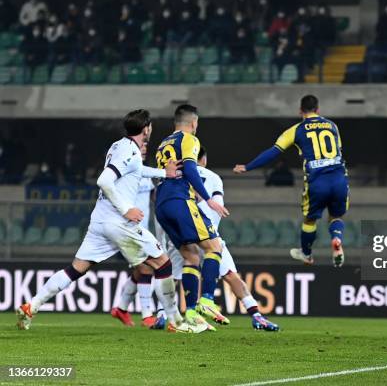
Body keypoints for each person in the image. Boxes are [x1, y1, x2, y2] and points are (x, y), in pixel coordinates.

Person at [16, 109, 207, 333]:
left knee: (76, 269)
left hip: (100, 219)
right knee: (163, 264)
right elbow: (104, 180)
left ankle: (32, 305)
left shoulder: (120, 146)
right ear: (146, 129)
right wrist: (126, 209)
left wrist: (164, 173)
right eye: (150, 127)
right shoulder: (128, 150)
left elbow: (135, 170)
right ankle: (176, 322)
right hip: (119, 221)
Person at [154, 147, 280, 331]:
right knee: (230, 275)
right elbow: (218, 207)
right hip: (206, 231)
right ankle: (256, 315)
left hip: (181, 231)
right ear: (203, 159)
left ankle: (163, 314)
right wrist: (209, 232)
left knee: (174, 276)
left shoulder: (172, 176)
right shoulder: (212, 177)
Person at [234, 95, 348, 267]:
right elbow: (338, 151)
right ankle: (337, 240)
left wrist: (248, 167)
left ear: (300, 111)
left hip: (317, 181)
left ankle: (307, 255)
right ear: (318, 110)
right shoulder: (333, 126)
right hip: (339, 178)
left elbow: (273, 152)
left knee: (310, 220)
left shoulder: (296, 130)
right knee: (336, 216)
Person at [155, 104, 230, 328]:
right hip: (180, 200)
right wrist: (208, 199)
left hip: (161, 204)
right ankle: (207, 299)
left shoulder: (163, 144)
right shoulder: (189, 139)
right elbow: (190, 168)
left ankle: (190, 313)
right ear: (194, 122)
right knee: (214, 246)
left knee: (191, 257)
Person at [111, 142, 161, 328]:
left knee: (140, 270)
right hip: (126, 229)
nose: (144, 147)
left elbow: (152, 197)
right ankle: (147, 315)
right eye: (141, 144)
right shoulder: (123, 172)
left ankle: (121, 309)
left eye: (146, 145)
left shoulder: (145, 172)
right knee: (147, 269)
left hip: (142, 230)